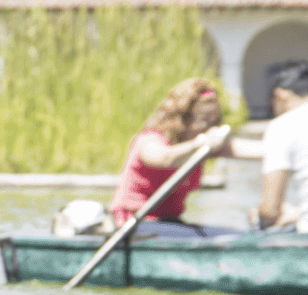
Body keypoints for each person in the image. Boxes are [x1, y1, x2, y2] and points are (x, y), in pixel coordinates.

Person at [108, 78, 254, 238]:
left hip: (170, 222)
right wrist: (200, 143)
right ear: (183, 117)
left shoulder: (205, 147)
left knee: (237, 236)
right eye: (203, 119)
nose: (208, 126)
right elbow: (163, 158)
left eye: (213, 120)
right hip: (134, 223)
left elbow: (255, 150)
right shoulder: (150, 140)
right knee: (224, 239)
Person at [251, 60, 308, 233]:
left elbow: (269, 211)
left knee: (256, 221)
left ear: (281, 95)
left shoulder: (282, 126)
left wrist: (259, 217)